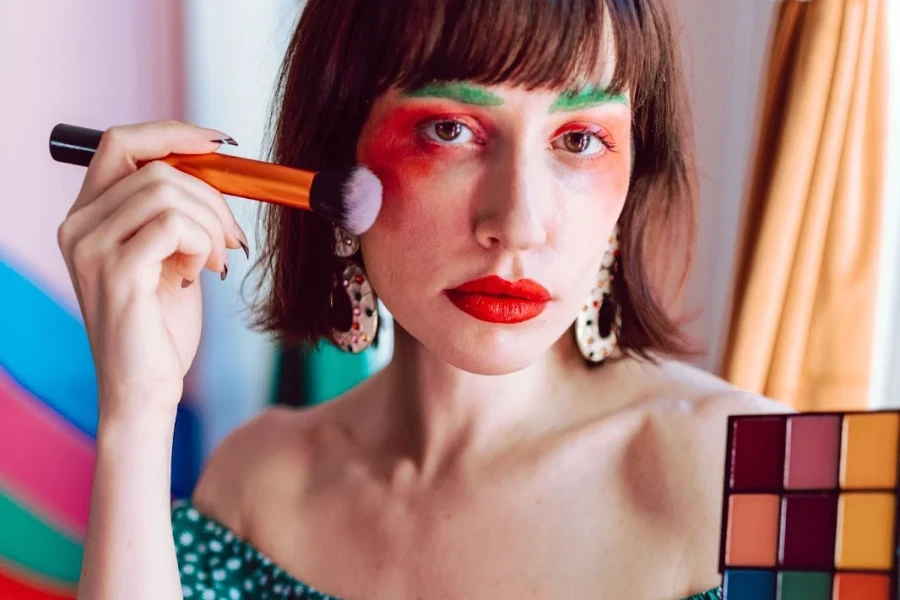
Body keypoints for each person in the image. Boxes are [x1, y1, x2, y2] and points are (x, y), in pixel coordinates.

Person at [62, 0, 785, 598]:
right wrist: (136, 411)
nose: (518, 224)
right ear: (335, 166)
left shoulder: (757, 479)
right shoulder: (257, 489)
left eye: (579, 139)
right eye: (450, 130)